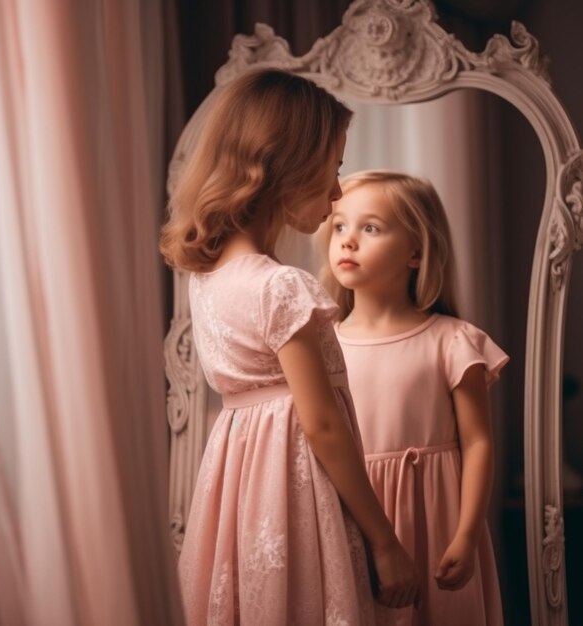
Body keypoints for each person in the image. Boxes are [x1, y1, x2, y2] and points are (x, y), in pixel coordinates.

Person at [160, 70, 420, 625]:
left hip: (238, 495)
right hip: (296, 498)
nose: (334, 193)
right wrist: (384, 541)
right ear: (287, 164)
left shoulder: (205, 280)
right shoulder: (281, 287)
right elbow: (322, 425)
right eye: (334, 169)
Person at [319, 169, 508, 626]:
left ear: (417, 251)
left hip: (439, 521)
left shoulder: (453, 340)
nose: (347, 240)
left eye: (371, 227)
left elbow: (478, 443)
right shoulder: (323, 346)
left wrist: (465, 536)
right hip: (356, 517)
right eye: (339, 225)